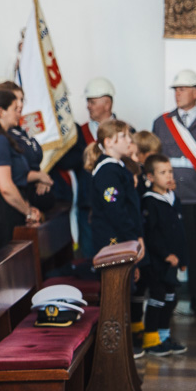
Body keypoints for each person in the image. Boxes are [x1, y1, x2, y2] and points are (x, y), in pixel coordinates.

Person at [150, 70, 196, 318]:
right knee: (166, 251)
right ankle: (164, 304)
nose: (177, 94)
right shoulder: (162, 123)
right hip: (169, 200)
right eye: (176, 89)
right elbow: (153, 159)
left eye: (182, 89)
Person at [84, 118, 148, 352]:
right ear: (109, 142)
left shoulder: (117, 167)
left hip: (122, 237)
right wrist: (134, 238)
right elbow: (116, 210)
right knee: (116, 291)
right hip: (113, 240)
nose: (130, 140)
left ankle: (122, 344)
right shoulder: (107, 171)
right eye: (124, 137)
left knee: (124, 289)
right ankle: (114, 347)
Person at [53, 77, 118, 257]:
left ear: (107, 104)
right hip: (88, 206)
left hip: (117, 206)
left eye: (92, 102)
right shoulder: (77, 134)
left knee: (117, 257)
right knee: (90, 259)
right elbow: (65, 162)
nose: (88, 106)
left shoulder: (126, 132)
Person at [0, 89, 43, 250]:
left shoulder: (2, 137)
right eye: (14, 109)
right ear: (1, 111)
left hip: (11, 208)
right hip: (3, 211)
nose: (19, 113)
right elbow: (6, 187)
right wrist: (28, 212)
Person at [140, 155, 188, 357]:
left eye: (170, 172)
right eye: (162, 173)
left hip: (173, 262)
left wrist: (183, 258)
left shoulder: (173, 198)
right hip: (157, 262)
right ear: (150, 177)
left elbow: (180, 231)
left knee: (170, 298)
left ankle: (163, 336)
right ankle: (150, 339)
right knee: (157, 298)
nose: (168, 176)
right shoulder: (150, 202)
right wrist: (166, 254)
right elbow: (151, 235)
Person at [0, 80, 55, 211]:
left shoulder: (20, 130)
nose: (20, 104)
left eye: (22, 99)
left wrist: (41, 178)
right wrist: (39, 176)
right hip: (18, 202)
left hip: (36, 196)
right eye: (15, 100)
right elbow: (13, 174)